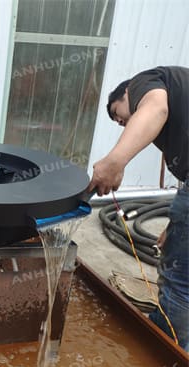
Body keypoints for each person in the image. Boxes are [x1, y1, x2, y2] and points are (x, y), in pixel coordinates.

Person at [88, 66, 189, 351]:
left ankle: (168, 351)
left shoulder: (144, 82)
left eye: (116, 111)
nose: (118, 121)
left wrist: (114, 162)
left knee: (179, 281)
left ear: (128, 94)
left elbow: (155, 107)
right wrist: (174, 229)